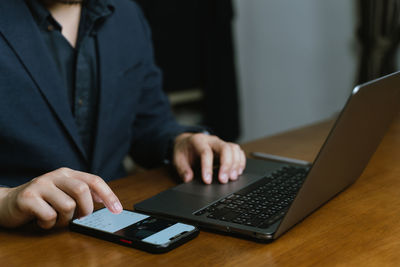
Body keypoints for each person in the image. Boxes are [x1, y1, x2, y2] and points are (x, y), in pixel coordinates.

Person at [0, 0, 246, 229]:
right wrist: (7, 200)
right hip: (20, 239)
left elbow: (148, 121)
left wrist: (179, 142)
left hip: (114, 226)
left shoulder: (127, 13)